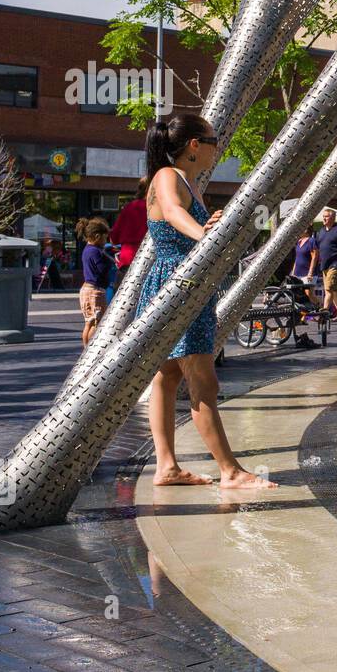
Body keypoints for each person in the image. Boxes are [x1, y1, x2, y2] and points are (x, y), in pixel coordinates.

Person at [138, 113, 274, 491]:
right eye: (213, 143)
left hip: (182, 283)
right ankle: (230, 472)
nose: (218, 150)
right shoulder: (168, 177)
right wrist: (203, 234)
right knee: (203, 381)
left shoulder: (187, 180)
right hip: (179, 285)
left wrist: (208, 227)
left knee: (167, 377)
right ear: (195, 146)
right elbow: (172, 212)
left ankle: (167, 466)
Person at [76, 217, 114, 347]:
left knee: (89, 322)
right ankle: (91, 348)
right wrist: (110, 260)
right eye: (105, 238)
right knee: (97, 322)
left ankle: (86, 349)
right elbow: (101, 268)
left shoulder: (86, 250)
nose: (105, 241)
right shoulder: (96, 251)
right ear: (97, 236)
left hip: (86, 289)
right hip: (95, 291)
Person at [109, 178, 149, 270]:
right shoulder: (155, 208)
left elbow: (113, 238)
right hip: (148, 261)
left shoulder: (129, 207)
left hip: (127, 258)